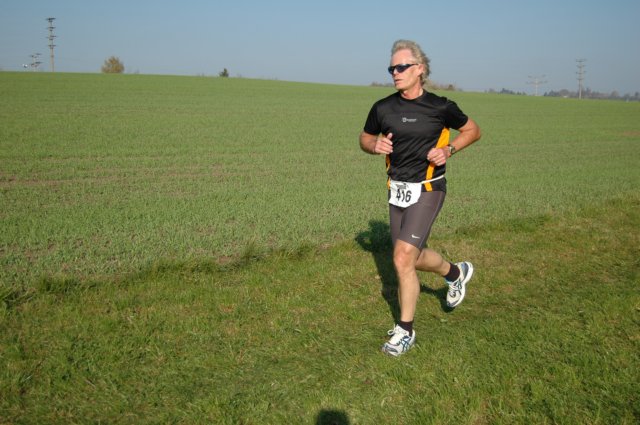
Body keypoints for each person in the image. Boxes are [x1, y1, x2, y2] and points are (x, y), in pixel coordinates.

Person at [359, 39, 481, 356]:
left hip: (429, 188)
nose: (395, 73)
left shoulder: (441, 107)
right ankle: (455, 273)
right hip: (397, 190)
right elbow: (365, 137)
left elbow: (473, 130)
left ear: (420, 69)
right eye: (391, 68)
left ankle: (405, 331)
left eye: (401, 67)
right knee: (410, 257)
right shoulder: (382, 107)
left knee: (402, 257)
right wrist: (373, 146)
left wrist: (449, 149)